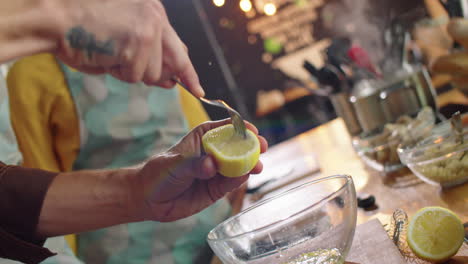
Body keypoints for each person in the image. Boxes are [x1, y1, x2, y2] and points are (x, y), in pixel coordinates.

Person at [0, 0, 268, 263]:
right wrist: (63, 15)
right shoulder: (30, 70)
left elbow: (9, 196)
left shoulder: (145, 38)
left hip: (214, 237)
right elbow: (37, 170)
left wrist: (138, 191)